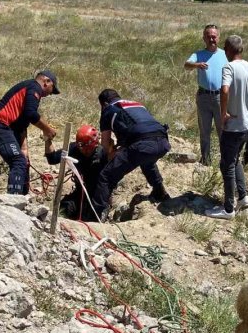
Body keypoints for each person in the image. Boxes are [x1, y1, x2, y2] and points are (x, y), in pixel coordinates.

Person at [204, 35, 248, 220]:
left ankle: (228, 209)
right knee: (235, 159)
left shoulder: (229, 67)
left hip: (233, 127)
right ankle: (243, 197)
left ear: (227, 50)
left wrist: (223, 114)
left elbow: (224, 90)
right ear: (241, 49)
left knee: (227, 165)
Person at [93, 89, 171, 220]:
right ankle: (160, 192)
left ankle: (97, 214)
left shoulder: (108, 110)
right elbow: (140, 127)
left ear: (104, 103)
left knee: (106, 176)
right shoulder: (137, 104)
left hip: (142, 145)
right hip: (163, 142)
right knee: (146, 161)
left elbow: (105, 146)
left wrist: (108, 158)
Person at [0, 71, 59, 195]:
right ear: (46, 82)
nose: (50, 93)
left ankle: (23, 198)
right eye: (52, 89)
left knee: (24, 160)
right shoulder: (34, 87)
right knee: (18, 161)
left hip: (4, 128)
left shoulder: (30, 89)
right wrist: (47, 129)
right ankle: (14, 199)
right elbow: (31, 114)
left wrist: (24, 149)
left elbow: (22, 124)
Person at [184, 24, 228, 165]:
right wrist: (197, 65)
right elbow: (186, 65)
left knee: (223, 130)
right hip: (203, 96)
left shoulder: (225, 55)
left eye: (214, 36)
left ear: (218, 38)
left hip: (221, 97)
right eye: (208, 37)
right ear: (204, 38)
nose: (211, 39)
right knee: (204, 130)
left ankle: (226, 161)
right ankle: (205, 160)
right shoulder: (198, 54)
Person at [44, 124, 108, 221]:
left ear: (94, 144)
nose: (84, 151)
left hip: (97, 195)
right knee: (63, 210)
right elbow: (52, 159)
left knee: (92, 218)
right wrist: (47, 139)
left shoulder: (101, 154)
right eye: (81, 147)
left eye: (87, 149)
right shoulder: (75, 148)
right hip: (80, 193)